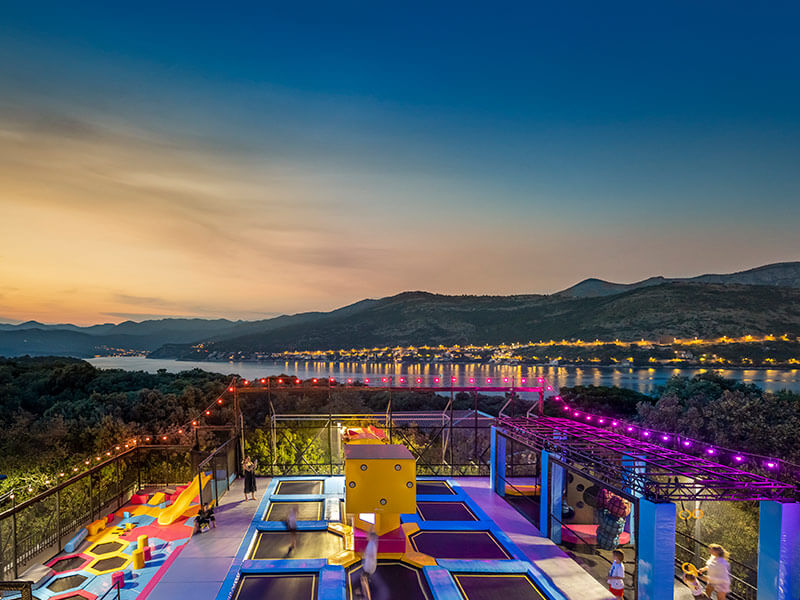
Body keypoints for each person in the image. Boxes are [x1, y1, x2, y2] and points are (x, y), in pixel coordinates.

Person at [360, 529, 378, 600]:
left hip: (369, 567)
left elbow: (372, 555)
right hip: (369, 566)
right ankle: (364, 593)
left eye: (368, 535)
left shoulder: (372, 544)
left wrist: (365, 554)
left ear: (371, 536)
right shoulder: (371, 543)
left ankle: (367, 596)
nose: (366, 536)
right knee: (363, 579)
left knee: (364, 579)